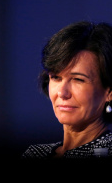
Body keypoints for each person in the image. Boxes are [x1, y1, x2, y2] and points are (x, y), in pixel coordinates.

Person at [21, 21, 112, 159]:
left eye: (78, 79)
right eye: (56, 78)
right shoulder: (35, 153)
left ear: (109, 93)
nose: (62, 93)